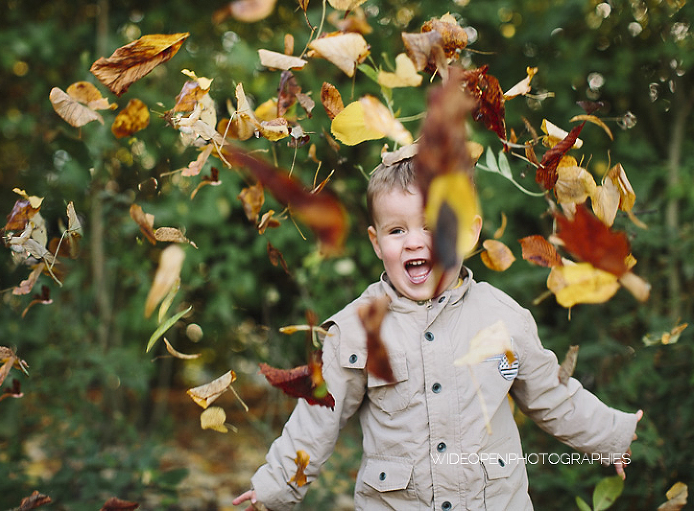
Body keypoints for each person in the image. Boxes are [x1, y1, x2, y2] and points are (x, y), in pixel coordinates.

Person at [233, 153, 642, 511]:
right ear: (377, 242)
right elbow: (317, 418)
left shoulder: (503, 319)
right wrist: (274, 489)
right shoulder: (357, 330)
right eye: (397, 231)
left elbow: (552, 395)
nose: (414, 242)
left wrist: (610, 435)